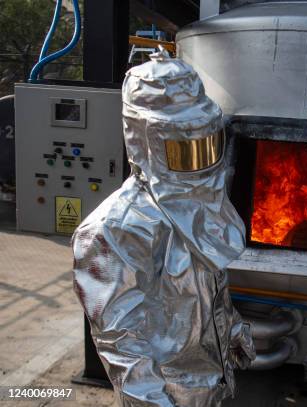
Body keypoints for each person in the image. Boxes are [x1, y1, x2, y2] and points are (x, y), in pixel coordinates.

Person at [72, 49, 255, 406]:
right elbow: (121, 346)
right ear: (145, 143)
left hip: (212, 387)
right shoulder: (115, 230)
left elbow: (210, 291)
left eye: (206, 146)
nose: (199, 164)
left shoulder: (199, 210)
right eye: (183, 150)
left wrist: (232, 330)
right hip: (168, 397)